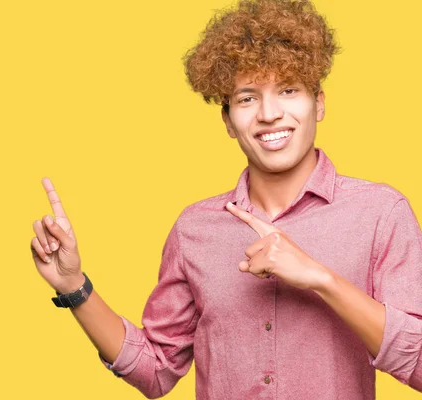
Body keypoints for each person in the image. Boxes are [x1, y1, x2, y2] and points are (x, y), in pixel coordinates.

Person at [30, 0, 422, 398]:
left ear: (318, 103)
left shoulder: (380, 214)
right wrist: (72, 285)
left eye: (288, 90)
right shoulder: (194, 229)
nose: (269, 113)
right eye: (248, 97)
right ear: (228, 120)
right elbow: (156, 369)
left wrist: (322, 280)